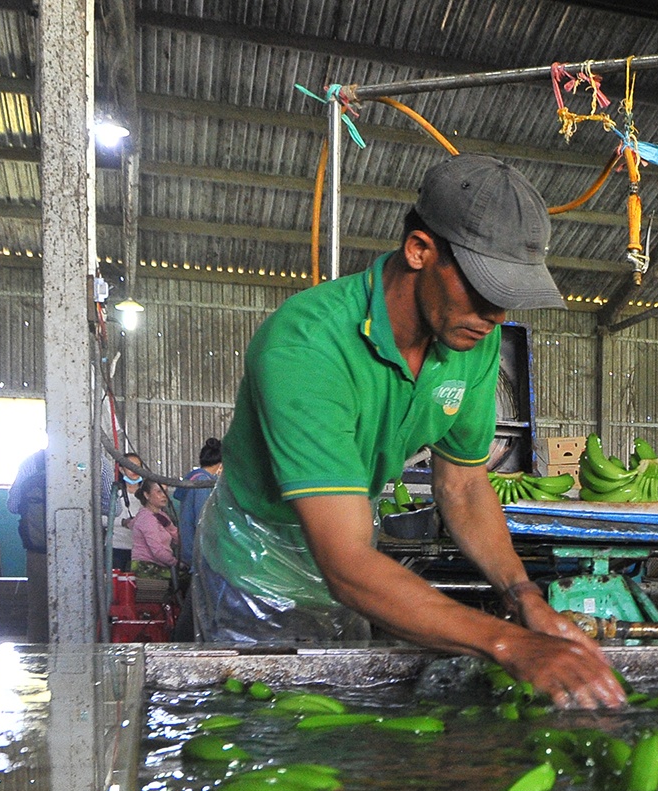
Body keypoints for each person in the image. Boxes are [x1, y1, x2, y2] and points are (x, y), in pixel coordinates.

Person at [193, 153, 624, 708]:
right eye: (484, 289)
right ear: (420, 250)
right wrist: (507, 643)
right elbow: (346, 564)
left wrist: (522, 595)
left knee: (342, 729)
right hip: (258, 573)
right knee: (264, 736)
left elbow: (464, 486)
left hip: (354, 565)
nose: (496, 315)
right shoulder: (306, 345)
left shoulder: (473, 336)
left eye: (509, 297)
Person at [8, 447, 49, 641]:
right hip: (83, 553)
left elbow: (13, 505)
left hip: (39, 551)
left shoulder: (31, 463)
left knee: (38, 609)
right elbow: (113, 509)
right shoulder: (98, 463)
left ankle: (37, 662)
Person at [175, 437, 222, 571]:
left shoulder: (192, 478)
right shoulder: (203, 482)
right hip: (198, 553)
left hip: (190, 548)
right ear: (221, 464)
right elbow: (202, 521)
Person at [128, 478, 180, 579]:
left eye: (165, 491)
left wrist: (169, 526)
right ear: (147, 495)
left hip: (159, 565)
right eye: (159, 491)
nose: (164, 495)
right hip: (146, 567)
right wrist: (176, 563)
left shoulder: (161, 515)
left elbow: (178, 539)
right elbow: (157, 550)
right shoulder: (147, 518)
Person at [109, 458, 139, 570]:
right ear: (121, 469)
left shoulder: (148, 494)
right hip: (117, 547)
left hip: (141, 549)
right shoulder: (113, 493)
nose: (134, 469)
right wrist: (123, 522)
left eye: (137, 466)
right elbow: (101, 518)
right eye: (129, 465)